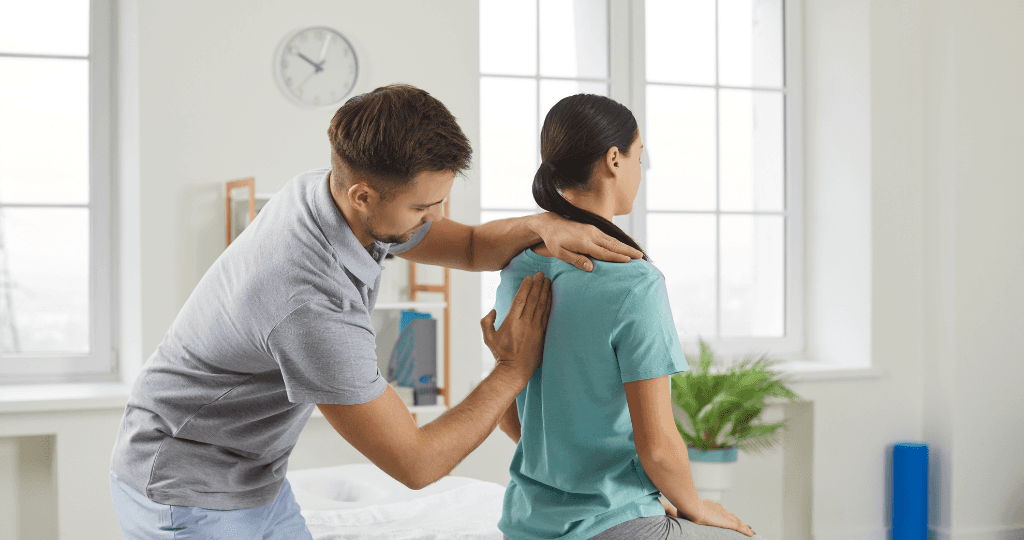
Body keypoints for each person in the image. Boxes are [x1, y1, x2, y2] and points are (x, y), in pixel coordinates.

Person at [108, 84, 645, 539]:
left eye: (441, 199)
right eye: (422, 206)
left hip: (253, 476)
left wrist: (541, 225)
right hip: (189, 488)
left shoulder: (329, 194)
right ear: (363, 195)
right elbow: (416, 463)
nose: (436, 217)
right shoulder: (309, 303)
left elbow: (471, 246)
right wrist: (512, 369)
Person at [487, 94, 763, 540]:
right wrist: (696, 506)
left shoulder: (517, 266)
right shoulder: (634, 282)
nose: (641, 171)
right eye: (640, 156)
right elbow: (657, 446)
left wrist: (565, 477)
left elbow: (505, 409)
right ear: (614, 160)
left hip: (526, 523)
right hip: (616, 524)